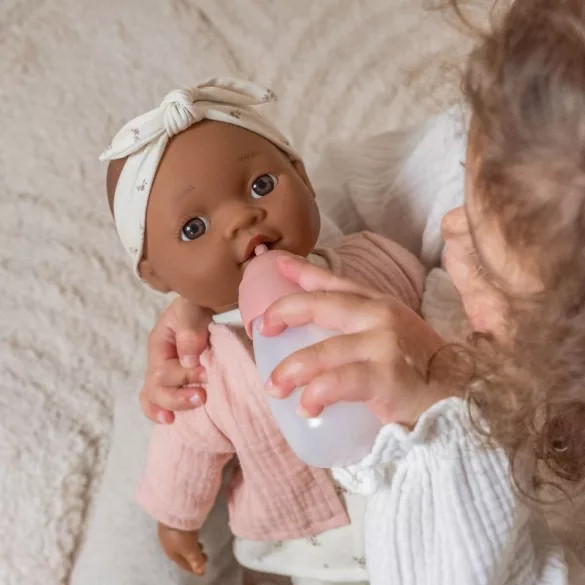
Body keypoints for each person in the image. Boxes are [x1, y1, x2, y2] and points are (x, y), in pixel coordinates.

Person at [142, 1, 585, 583]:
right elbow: (350, 187)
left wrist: (441, 425)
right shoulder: (527, 133)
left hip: (430, 539)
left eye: (483, 261)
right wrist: (212, 294)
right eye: (466, 188)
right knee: (160, 407)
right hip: (280, 517)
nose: (451, 229)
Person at [100, 77, 429, 585]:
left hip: (413, 502)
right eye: (194, 228)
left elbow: (434, 308)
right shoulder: (202, 365)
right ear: (156, 275)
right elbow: (184, 450)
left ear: (303, 177)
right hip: (298, 543)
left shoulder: (371, 262)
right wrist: (175, 520)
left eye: (260, 186)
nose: (242, 218)